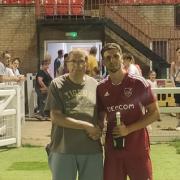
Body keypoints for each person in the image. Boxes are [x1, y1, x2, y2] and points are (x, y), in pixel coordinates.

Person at [96, 43, 160, 180]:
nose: (112, 60)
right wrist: (97, 126)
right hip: (114, 150)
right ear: (103, 62)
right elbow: (101, 114)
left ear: (122, 58)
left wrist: (128, 129)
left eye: (115, 56)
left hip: (137, 148)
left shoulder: (138, 83)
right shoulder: (101, 88)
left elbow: (154, 113)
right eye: (107, 58)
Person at [45, 49, 103, 180]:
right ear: (67, 64)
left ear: (86, 64)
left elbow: (101, 113)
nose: (77, 65)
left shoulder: (95, 85)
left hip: (91, 148)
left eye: (81, 61)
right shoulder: (57, 84)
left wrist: (100, 127)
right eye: (73, 61)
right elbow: (56, 117)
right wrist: (86, 126)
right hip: (63, 148)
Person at [170, 47, 180, 130]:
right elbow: (171, 75)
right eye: (179, 52)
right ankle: (178, 123)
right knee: (177, 104)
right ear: (176, 53)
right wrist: (173, 85)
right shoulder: (173, 64)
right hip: (177, 84)